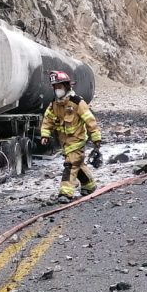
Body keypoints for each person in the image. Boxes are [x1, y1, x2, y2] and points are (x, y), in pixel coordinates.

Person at [39, 70, 102, 203]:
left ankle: (66, 193)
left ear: (67, 86)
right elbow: (47, 120)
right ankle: (89, 185)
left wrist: (96, 139)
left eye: (60, 86)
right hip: (65, 143)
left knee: (70, 165)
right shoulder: (54, 104)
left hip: (77, 141)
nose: (57, 90)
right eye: (55, 87)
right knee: (77, 165)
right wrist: (45, 134)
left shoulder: (77, 102)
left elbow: (90, 120)